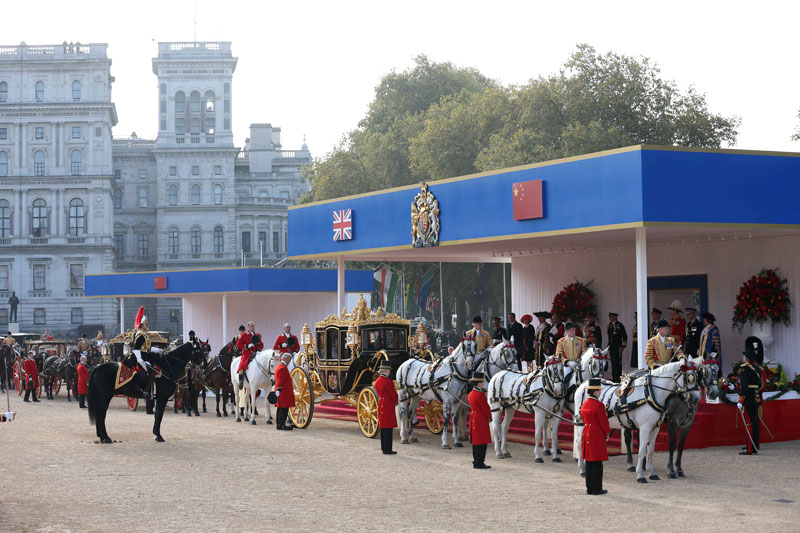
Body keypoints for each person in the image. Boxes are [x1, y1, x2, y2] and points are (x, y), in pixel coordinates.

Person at [581, 378, 610, 495]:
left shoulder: (585, 404)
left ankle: (590, 488)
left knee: (589, 463)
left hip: (586, 431)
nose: (600, 392)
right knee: (597, 463)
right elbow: (604, 423)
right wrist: (607, 433)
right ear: (596, 391)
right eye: (599, 390)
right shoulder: (599, 405)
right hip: (596, 433)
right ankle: (597, 488)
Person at [737, 336, 764, 455]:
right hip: (756, 397)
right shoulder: (757, 369)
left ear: (746, 359)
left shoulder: (745, 370)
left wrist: (740, 400)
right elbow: (760, 384)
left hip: (748, 399)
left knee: (749, 423)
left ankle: (750, 449)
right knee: (755, 423)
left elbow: (744, 387)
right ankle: (754, 446)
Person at [131, 307, 161, 397]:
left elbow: (148, 348)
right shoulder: (140, 334)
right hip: (142, 357)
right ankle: (146, 390)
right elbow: (136, 348)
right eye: (145, 324)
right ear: (141, 325)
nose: (147, 325)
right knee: (152, 371)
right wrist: (140, 359)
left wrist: (160, 350)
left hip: (146, 355)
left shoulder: (144, 334)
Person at [467, 371, 491, 469]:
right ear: (479, 383)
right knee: (482, 442)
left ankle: (476, 461)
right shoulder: (480, 395)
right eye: (482, 383)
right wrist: (490, 417)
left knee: (475, 442)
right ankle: (480, 462)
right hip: (481, 419)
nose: (483, 384)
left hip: (474, 417)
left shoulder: (472, 393)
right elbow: (486, 409)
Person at [374, 359, 398, 454]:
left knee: (383, 428)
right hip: (388, 405)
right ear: (386, 371)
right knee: (388, 429)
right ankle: (388, 449)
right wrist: (397, 401)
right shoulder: (388, 382)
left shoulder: (377, 381)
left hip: (381, 403)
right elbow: (393, 395)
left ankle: (384, 448)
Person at [236, 321, 263, 388]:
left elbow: (261, 344)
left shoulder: (258, 335)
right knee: (242, 365)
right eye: (251, 326)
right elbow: (238, 344)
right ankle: (241, 381)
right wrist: (247, 346)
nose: (252, 327)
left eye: (253, 326)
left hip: (256, 352)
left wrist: (259, 349)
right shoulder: (244, 335)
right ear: (248, 327)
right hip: (247, 353)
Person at [274, 352, 295, 430]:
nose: (289, 361)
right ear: (286, 359)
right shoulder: (282, 368)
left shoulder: (280, 366)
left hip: (282, 391)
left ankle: (280, 424)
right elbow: (280, 381)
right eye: (289, 360)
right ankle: (281, 424)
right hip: (283, 392)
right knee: (283, 410)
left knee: (280, 409)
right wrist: (278, 389)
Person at [606, 312, 627, 382]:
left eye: (611, 317)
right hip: (611, 347)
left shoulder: (619, 325)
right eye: (609, 317)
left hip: (618, 348)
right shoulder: (609, 325)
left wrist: (623, 346)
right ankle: (614, 378)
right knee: (613, 363)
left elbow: (624, 336)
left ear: (615, 317)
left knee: (618, 364)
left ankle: (618, 379)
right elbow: (609, 336)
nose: (610, 318)